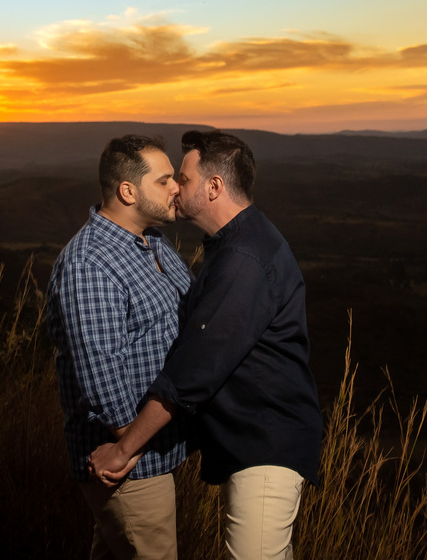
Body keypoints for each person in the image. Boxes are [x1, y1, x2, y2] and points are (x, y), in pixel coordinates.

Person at [90, 130, 323, 560]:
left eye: (185, 178)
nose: (177, 187)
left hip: (264, 446)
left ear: (214, 187)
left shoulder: (244, 260)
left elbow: (194, 369)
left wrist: (124, 448)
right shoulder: (233, 244)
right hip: (254, 442)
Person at [48, 134, 193, 560]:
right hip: (127, 465)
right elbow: (102, 378)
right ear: (127, 191)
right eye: (164, 181)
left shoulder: (153, 243)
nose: (176, 189)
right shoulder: (92, 263)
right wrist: (128, 448)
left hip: (155, 452)